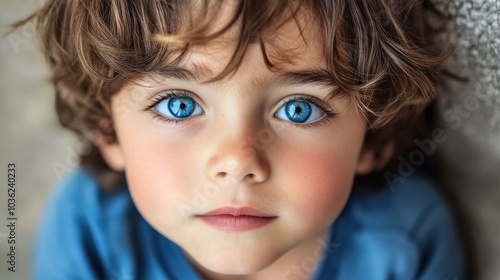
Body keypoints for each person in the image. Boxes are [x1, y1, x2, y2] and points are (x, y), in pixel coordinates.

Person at [18, 0, 464, 279]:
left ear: (374, 138)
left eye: (298, 109)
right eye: (179, 104)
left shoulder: (408, 240)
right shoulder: (88, 226)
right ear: (107, 127)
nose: (236, 160)